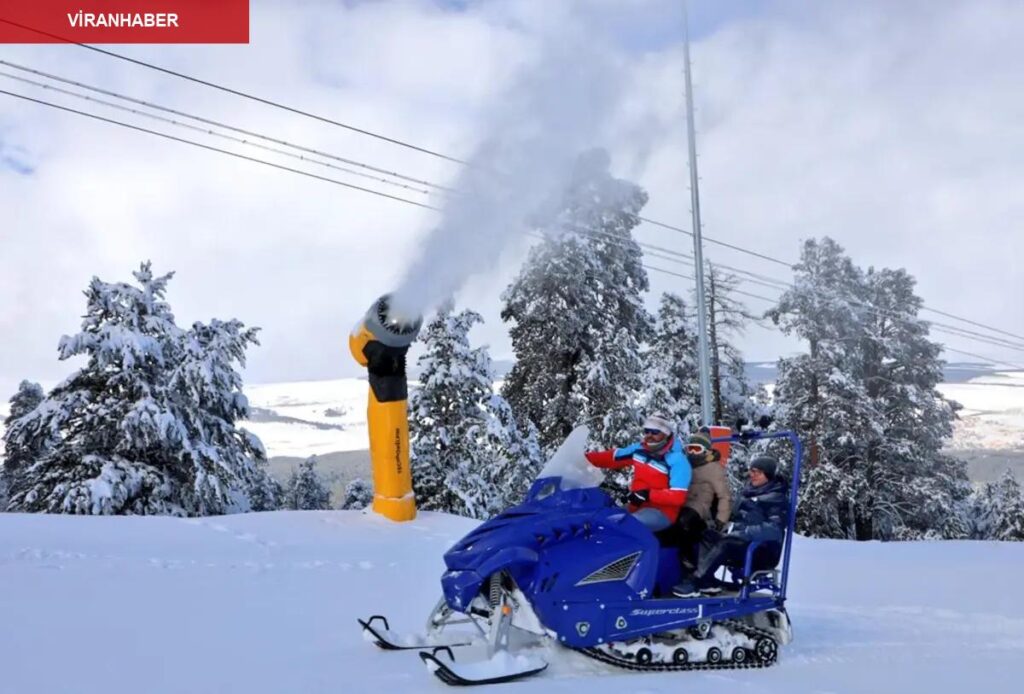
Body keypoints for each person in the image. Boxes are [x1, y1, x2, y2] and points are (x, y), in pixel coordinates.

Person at [672, 455, 788, 597]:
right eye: (751, 471)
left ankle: (696, 581)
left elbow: (774, 529)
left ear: (768, 475)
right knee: (705, 535)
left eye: (757, 472)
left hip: (761, 549)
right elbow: (734, 515)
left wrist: (744, 531)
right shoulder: (749, 493)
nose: (752, 475)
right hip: (742, 542)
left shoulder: (776, 499)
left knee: (726, 544)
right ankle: (706, 579)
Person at [585, 414, 691, 532]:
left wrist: (648, 495)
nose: (649, 435)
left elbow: (678, 497)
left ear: (666, 434)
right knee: (599, 521)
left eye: (655, 432)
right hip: (636, 506)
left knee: (622, 527)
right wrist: (582, 459)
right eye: (647, 431)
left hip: (662, 512)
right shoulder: (640, 451)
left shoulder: (677, 460)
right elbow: (612, 457)